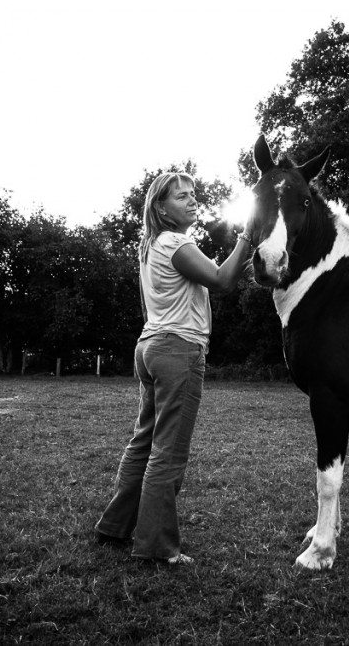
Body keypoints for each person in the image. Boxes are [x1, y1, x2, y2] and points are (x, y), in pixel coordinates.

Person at [94, 171, 251, 565]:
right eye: (182, 197)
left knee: (144, 442)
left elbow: (205, 282)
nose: (192, 201)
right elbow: (222, 279)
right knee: (168, 452)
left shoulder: (151, 245)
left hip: (151, 346)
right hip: (178, 350)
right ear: (161, 208)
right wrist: (248, 237)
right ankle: (156, 546)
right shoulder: (177, 242)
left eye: (193, 194)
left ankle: (115, 526)